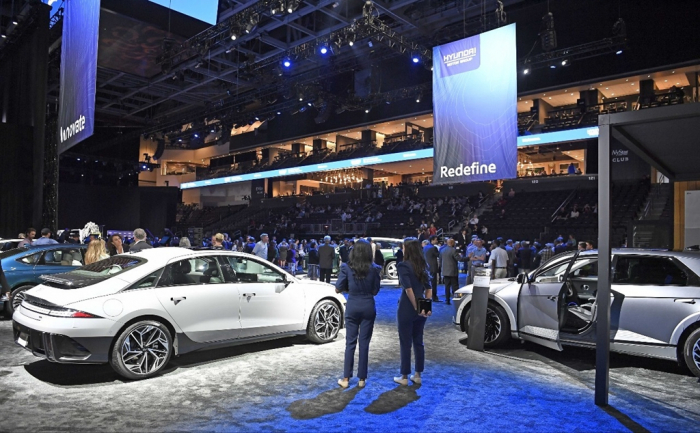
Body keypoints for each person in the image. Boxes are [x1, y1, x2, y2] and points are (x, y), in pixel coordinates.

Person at [335, 240, 381, 388]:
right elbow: (375, 291)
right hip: (368, 306)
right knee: (364, 343)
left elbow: (337, 289)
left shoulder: (346, 267)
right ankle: (362, 379)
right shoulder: (375, 269)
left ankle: (346, 379)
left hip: (353, 305)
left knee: (350, 343)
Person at [395, 238, 432, 386]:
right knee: (418, 342)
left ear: (407, 249)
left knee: (405, 342)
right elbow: (429, 289)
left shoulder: (403, 265)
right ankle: (418, 374)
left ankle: (404, 376)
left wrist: (416, 307)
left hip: (406, 308)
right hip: (422, 308)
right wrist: (425, 308)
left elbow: (408, 289)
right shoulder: (424, 266)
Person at [440, 238, 461, 304]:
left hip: (445, 271)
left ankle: (447, 300)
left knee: (447, 286)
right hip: (452, 271)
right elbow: (459, 259)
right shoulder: (453, 250)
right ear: (452, 243)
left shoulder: (442, 250)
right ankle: (456, 300)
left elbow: (440, 261)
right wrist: (468, 258)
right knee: (455, 286)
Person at [423, 236, 440, 302]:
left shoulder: (425, 247)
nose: (437, 241)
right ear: (432, 240)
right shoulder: (434, 248)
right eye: (436, 240)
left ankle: (427, 296)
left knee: (427, 283)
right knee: (433, 283)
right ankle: (434, 297)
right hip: (433, 268)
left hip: (426, 267)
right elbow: (439, 255)